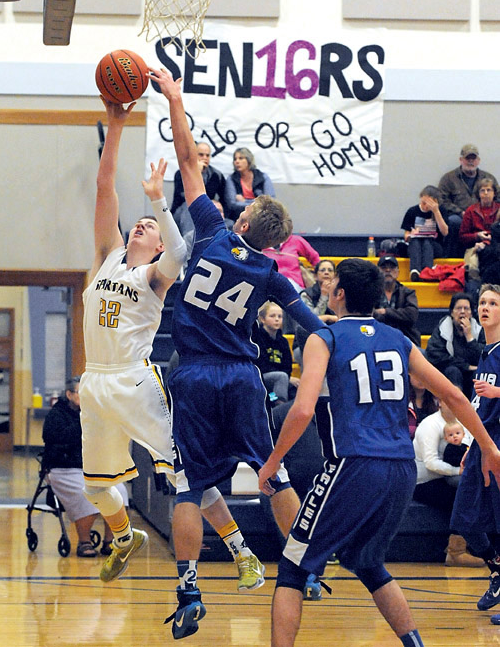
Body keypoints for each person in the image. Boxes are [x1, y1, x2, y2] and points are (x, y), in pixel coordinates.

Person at [149, 66, 325, 640]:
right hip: (245, 378)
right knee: (271, 475)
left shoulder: (211, 228)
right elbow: (311, 327)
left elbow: (189, 161)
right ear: (275, 242)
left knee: (190, 486)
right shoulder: (274, 274)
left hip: (194, 374)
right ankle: (306, 566)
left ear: (245, 217)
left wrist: (175, 97)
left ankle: (190, 585)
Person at [258, 257, 500, 647]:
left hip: (354, 463)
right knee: (369, 564)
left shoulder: (325, 338)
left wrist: (271, 463)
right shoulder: (400, 340)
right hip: (402, 468)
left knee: (291, 568)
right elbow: (453, 393)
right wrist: (488, 447)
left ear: (338, 294)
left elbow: (302, 409)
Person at [79, 97, 264, 590]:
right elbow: (103, 190)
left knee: (188, 476)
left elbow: (181, 248)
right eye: (134, 222)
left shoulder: (159, 273)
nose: (138, 224)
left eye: (148, 226)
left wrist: (160, 202)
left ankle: (240, 550)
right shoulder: (106, 256)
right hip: (94, 383)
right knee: (96, 489)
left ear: (159, 243)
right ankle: (123, 535)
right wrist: (117, 125)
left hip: (136, 380)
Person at [450, 283, 500, 623]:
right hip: (482, 442)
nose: (484, 307)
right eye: (482, 302)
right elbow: (479, 407)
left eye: (493, 303)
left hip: (498, 445)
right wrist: (472, 444)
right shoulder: (485, 352)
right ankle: (497, 569)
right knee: (464, 520)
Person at [42, 376, 128, 558]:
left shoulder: (96, 415)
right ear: (69, 394)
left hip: (93, 468)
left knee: (119, 491)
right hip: (63, 469)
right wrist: (84, 423)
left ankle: (110, 541)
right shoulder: (56, 415)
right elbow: (55, 441)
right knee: (85, 494)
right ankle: (84, 541)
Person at [412, 401, 482, 567]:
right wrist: (458, 471)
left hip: (444, 476)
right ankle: (455, 552)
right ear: (440, 403)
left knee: (476, 491)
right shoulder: (430, 424)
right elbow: (430, 463)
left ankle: (481, 547)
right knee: (461, 498)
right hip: (422, 482)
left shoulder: (462, 421)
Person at [438, 143, 499, 257]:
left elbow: (498, 198)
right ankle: (452, 258)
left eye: (473, 158)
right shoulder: (448, 178)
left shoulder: (489, 178)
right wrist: (460, 212)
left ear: (478, 160)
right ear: (461, 160)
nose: (471, 161)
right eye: (467, 158)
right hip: (459, 216)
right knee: (454, 221)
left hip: (484, 216)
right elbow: (441, 200)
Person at [425, 292, 485, 400]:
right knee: (453, 371)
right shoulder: (442, 330)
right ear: (452, 312)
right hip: (449, 375)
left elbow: (484, 357)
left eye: (466, 308)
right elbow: (436, 356)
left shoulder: (478, 330)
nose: (462, 312)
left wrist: (470, 337)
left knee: (478, 374)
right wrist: (465, 366)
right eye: (458, 308)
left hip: (471, 376)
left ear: (471, 313)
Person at [171, 141, 227, 235]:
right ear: (194, 155)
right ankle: (190, 240)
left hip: (206, 209)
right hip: (183, 210)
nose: (205, 158)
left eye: (207, 155)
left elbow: (224, 201)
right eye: (201, 155)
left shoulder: (216, 175)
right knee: (190, 206)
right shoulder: (182, 173)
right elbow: (186, 196)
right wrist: (197, 173)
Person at [252, 302, 299, 403]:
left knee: (297, 385)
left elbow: (287, 365)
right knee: (281, 378)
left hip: (280, 379)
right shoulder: (257, 337)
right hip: (261, 377)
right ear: (262, 319)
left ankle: (291, 408)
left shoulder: (283, 341)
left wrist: (287, 377)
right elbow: (260, 364)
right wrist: (284, 376)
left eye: (280, 316)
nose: (277, 319)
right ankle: (279, 406)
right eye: (272, 316)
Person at [400, 185, 449, 281]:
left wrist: (436, 211)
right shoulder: (412, 211)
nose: (425, 207)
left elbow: (445, 232)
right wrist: (411, 235)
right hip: (415, 245)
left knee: (427, 241)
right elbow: (406, 235)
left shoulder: (441, 211)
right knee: (416, 241)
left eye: (429, 204)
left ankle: (427, 271)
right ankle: (415, 271)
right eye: (423, 203)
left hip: (434, 245)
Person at [458, 176, 500, 281]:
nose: (486, 193)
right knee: (472, 265)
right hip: (475, 246)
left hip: (496, 245)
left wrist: (489, 240)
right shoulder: (471, 210)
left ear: (494, 193)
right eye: (482, 190)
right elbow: (462, 236)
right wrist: (477, 236)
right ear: (478, 194)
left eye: (489, 190)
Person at [373, 255, 421, 345]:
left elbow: (412, 315)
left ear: (398, 272)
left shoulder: (408, 293)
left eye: (392, 267)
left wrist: (385, 312)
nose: (388, 270)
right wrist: (398, 316)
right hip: (376, 338)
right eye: (384, 268)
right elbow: (368, 314)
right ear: (377, 272)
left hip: (405, 339)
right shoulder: (371, 292)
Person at [224, 147, 276, 221]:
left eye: (241, 158)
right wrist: (258, 202)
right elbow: (232, 204)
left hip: (261, 217)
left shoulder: (263, 177)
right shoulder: (231, 179)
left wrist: (245, 201)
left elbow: (270, 201)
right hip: (239, 218)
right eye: (235, 159)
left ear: (249, 160)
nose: (237, 161)